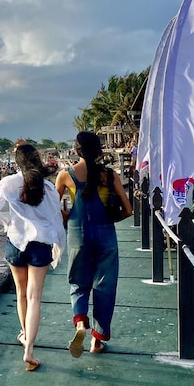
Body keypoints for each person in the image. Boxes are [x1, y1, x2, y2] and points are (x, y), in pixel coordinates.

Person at [0, 144, 66, 372]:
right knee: (35, 298)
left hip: (15, 243)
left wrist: (7, 223)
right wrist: (59, 245)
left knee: (20, 294)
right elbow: (55, 220)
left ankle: (24, 334)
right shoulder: (48, 187)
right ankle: (29, 349)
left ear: (17, 161)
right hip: (40, 246)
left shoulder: (8, 182)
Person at [55, 131, 132, 358]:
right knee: (104, 287)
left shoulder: (65, 175)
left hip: (78, 235)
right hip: (106, 235)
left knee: (78, 283)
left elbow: (53, 208)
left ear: (76, 150)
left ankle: (80, 323)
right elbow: (128, 210)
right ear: (99, 151)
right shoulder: (109, 175)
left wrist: (67, 217)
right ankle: (96, 341)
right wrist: (110, 220)